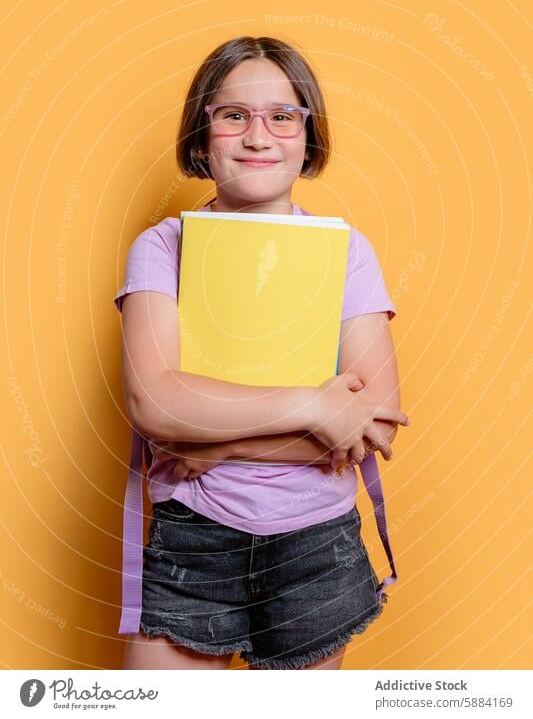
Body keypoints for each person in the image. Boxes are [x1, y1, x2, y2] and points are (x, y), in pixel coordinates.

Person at [115, 36, 409, 670]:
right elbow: (155, 401)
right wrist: (311, 405)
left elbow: (374, 420)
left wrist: (216, 440)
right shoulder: (162, 247)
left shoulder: (348, 252)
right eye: (233, 116)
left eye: (282, 115)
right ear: (201, 138)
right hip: (192, 536)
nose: (258, 136)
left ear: (308, 139)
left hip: (316, 544)